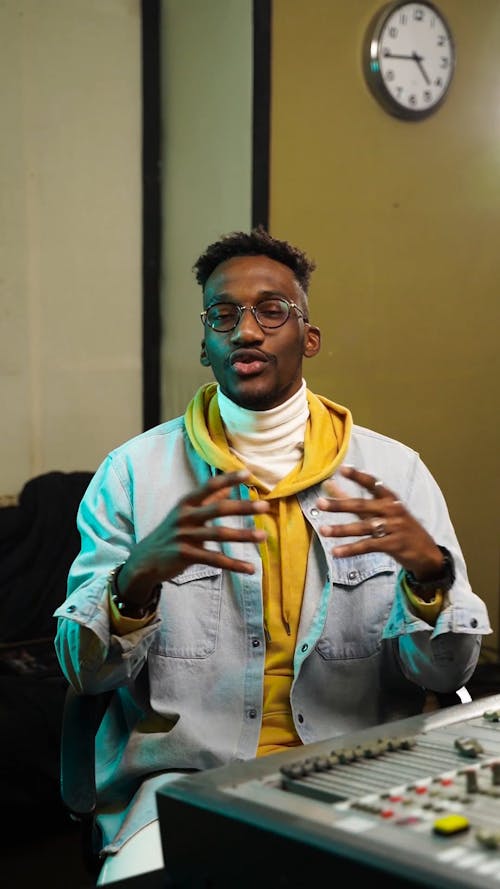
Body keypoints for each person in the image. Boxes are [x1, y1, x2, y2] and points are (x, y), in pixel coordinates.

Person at [54, 226, 491, 884]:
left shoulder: (392, 474)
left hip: (359, 773)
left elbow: (443, 671)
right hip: (185, 783)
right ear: (205, 344)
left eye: (271, 310)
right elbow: (86, 674)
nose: (246, 331)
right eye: (223, 315)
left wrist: (431, 579)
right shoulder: (133, 475)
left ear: (307, 337)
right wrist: (135, 580)